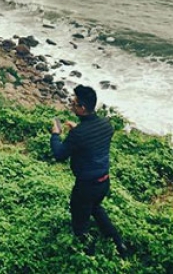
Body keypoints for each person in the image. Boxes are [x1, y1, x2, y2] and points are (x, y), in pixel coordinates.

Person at [51, 85, 128, 258]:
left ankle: (89, 255)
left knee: (80, 223)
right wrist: (77, 129)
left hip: (86, 186)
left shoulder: (79, 134)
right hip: (104, 182)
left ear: (82, 108)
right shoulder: (106, 125)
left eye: (74, 103)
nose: (71, 105)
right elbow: (92, 142)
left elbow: (59, 154)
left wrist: (56, 134)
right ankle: (118, 243)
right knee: (95, 207)